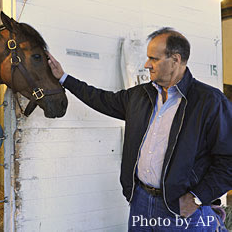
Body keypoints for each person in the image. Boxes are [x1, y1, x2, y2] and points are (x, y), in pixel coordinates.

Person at [46, 27, 232, 231]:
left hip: (181, 209)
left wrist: (197, 198)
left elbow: (228, 162)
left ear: (175, 60)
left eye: (154, 58)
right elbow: (100, 99)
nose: (146, 65)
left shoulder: (210, 102)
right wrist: (64, 78)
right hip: (141, 201)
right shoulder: (140, 96)